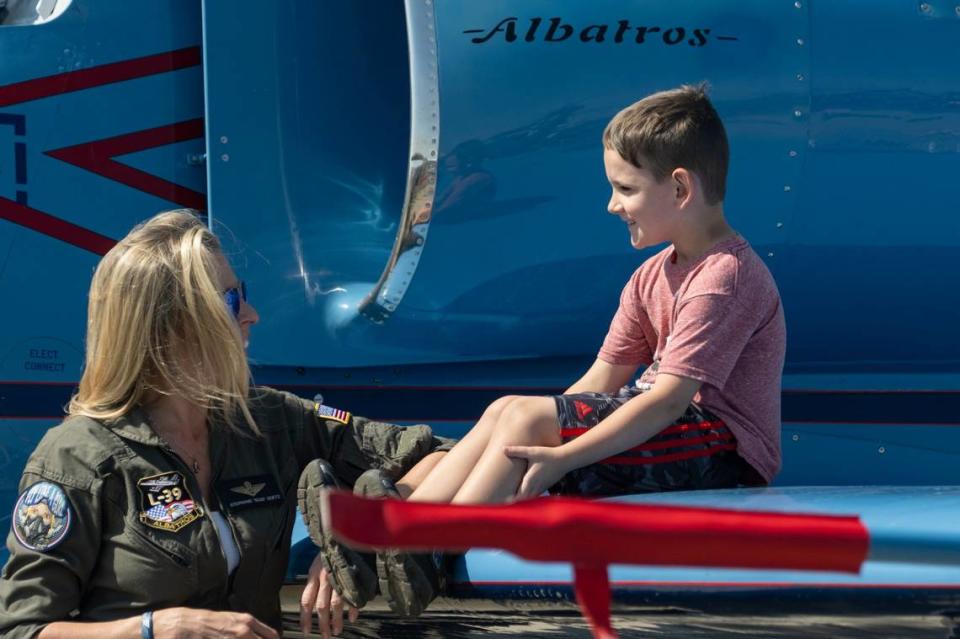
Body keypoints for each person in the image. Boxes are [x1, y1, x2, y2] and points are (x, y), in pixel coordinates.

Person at [338, 84, 787, 616]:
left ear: (680, 188)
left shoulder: (725, 276)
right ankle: (400, 518)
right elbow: (598, 382)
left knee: (526, 420)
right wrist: (539, 425)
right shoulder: (651, 276)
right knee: (509, 409)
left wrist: (561, 456)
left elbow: (670, 400)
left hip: (721, 451)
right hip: (669, 433)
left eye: (624, 188)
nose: (612, 204)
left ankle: (428, 552)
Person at [0, 210, 452, 639]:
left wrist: (360, 535)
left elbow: (435, 455)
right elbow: (23, 628)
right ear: (169, 326)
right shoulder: (76, 458)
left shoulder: (270, 422)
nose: (251, 314)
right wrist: (158, 628)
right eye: (230, 300)